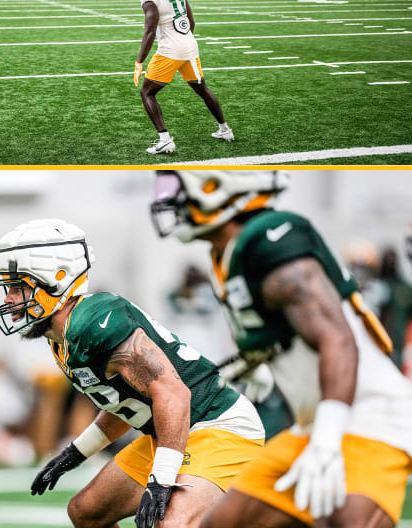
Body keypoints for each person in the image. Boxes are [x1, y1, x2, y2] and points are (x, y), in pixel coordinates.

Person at [151, 171, 412, 527]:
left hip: (369, 417)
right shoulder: (227, 257)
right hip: (314, 423)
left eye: (175, 188)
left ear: (218, 188)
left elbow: (337, 338)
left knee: (343, 520)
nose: (167, 199)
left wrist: (327, 439)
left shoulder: (268, 241)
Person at [0, 218, 265, 528]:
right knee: (85, 512)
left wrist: (160, 481)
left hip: (217, 423)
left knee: (169, 524)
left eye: (17, 287)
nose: (8, 299)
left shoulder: (95, 324)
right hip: (172, 429)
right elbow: (126, 403)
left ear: (55, 281)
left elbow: (174, 395)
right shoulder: (63, 340)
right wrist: (75, 452)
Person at [135, 0, 232, 155]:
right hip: (190, 45)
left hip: (170, 49)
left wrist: (139, 60)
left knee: (147, 92)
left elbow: (150, 30)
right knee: (202, 89)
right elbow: (191, 20)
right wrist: (185, 41)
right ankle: (225, 129)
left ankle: (164, 140)